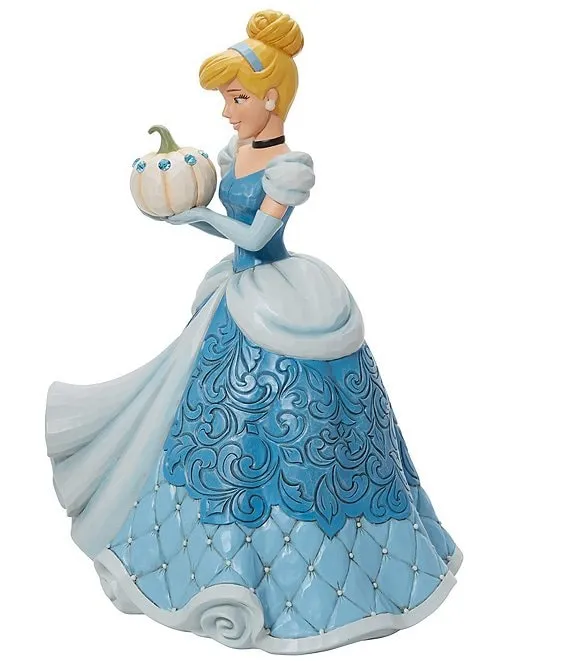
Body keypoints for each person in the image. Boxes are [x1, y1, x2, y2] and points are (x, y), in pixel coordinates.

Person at [46, 9, 462, 654]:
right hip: (236, 294)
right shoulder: (231, 152)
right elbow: (232, 227)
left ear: (271, 97)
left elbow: (258, 234)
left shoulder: (286, 167)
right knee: (211, 415)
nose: (227, 112)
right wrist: (190, 206)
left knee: (300, 421)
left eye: (236, 98)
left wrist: (196, 218)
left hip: (277, 294)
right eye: (225, 99)